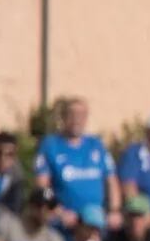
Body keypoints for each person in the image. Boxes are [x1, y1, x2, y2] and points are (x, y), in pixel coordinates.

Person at [32, 97, 117, 233]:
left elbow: (111, 180)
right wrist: (59, 212)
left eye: (81, 115)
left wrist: (114, 210)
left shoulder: (96, 145)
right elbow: (42, 187)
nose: (77, 119)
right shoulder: (50, 146)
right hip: (64, 224)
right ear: (63, 117)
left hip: (95, 224)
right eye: (72, 114)